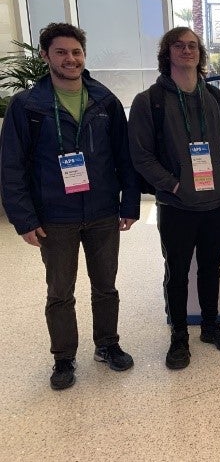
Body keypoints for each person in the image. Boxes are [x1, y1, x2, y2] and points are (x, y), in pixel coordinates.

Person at [0, 22, 139, 390]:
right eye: (61, 52)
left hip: (102, 211)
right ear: (46, 56)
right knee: (60, 291)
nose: (70, 59)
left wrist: (131, 203)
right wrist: (24, 219)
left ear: (84, 56)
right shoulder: (28, 106)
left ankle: (107, 345)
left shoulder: (104, 101)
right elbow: (11, 166)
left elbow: (124, 158)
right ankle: (63, 358)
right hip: (54, 216)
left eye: (76, 52)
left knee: (105, 286)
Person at [128, 27, 220, 370]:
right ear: (168, 53)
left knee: (211, 269)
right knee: (176, 273)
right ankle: (179, 336)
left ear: (200, 53)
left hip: (218, 204)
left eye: (192, 45)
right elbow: (141, 155)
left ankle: (209, 326)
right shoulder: (150, 101)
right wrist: (174, 186)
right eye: (179, 45)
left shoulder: (218, 99)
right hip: (177, 207)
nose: (187, 50)